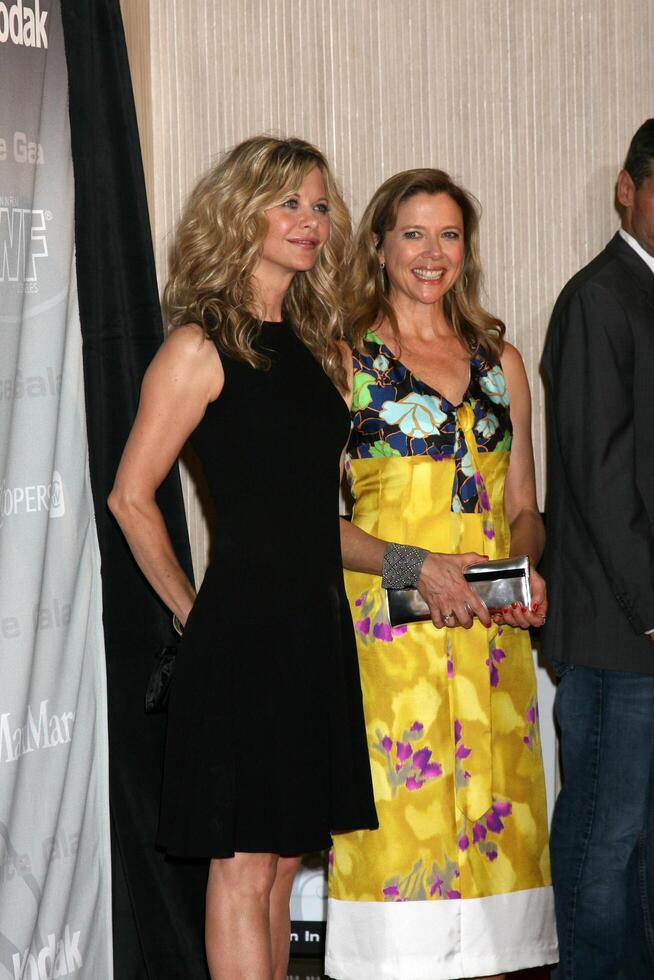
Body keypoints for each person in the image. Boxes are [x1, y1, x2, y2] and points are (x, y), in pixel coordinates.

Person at [108, 135, 377, 980]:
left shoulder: (324, 351)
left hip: (314, 631)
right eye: (289, 203)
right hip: (242, 635)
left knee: (287, 861)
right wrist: (195, 613)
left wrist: (413, 564)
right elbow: (129, 496)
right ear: (241, 211)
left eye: (320, 206)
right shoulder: (198, 347)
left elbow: (310, 518)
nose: (310, 222)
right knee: (242, 865)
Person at [325, 168, 558, 980]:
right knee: (400, 880)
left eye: (449, 235)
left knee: (496, 902)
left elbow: (524, 505)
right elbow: (306, 524)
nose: (433, 253)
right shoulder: (342, 361)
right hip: (390, 653)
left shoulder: (504, 362)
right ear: (381, 245)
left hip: (492, 650)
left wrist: (526, 568)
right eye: (414, 234)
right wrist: (414, 565)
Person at [541, 119, 654, 980]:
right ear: (628, 188)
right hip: (623, 636)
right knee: (603, 852)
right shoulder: (600, 298)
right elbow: (602, 478)